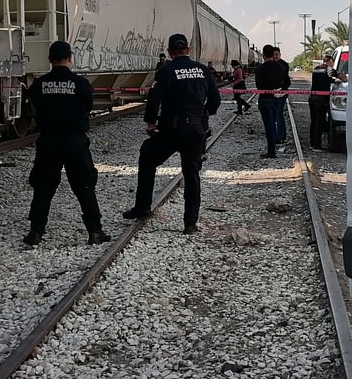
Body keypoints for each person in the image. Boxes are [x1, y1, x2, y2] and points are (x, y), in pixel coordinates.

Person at [122, 33, 221, 234]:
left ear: (169, 51)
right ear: (188, 49)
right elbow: (215, 100)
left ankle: (142, 208)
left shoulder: (166, 71)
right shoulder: (203, 71)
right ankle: (190, 224)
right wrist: (203, 114)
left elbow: (154, 99)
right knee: (192, 174)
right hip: (195, 130)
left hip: (171, 130)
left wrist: (150, 123)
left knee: (148, 158)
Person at [23, 41, 111, 247]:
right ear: (70, 58)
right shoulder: (80, 84)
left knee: (43, 187)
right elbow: (88, 105)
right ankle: (95, 231)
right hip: (75, 142)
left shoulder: (39, 84)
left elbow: (33, 107)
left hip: (48, 141)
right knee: (85, 185)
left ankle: (35, 232)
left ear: (49, 59)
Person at [255, 44, 286, 158]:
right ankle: (274, 147)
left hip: (265, 100)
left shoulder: (260, 69)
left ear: (263, 55)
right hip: (277, 99)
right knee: (275, 122)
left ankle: (271, 151)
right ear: (273, 54)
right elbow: (285, 83)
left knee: (269, 126)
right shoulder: (281, 67)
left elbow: (259, 87)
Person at [309, 54, 342, 150]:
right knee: (320, 122)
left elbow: (322, 80)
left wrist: (330, 80)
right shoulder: (329, 69)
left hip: (312, 98)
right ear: (330, 61)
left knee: (314, 122)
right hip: (321, 99)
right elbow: (343, 78)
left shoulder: (316, 69)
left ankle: (312, 143)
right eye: (332, 62)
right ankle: (317, 145)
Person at [272, 46, 291, 146]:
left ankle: (281, 136)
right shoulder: (270, 64)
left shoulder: (283, 65)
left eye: (277, 55)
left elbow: (287, 81)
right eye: (273, 55)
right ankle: (277, 134)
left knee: (279, 114)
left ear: (280, 55)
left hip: (281, 93)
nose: (275, 57)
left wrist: (281, 89)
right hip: (273, 93)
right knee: (274, 115)